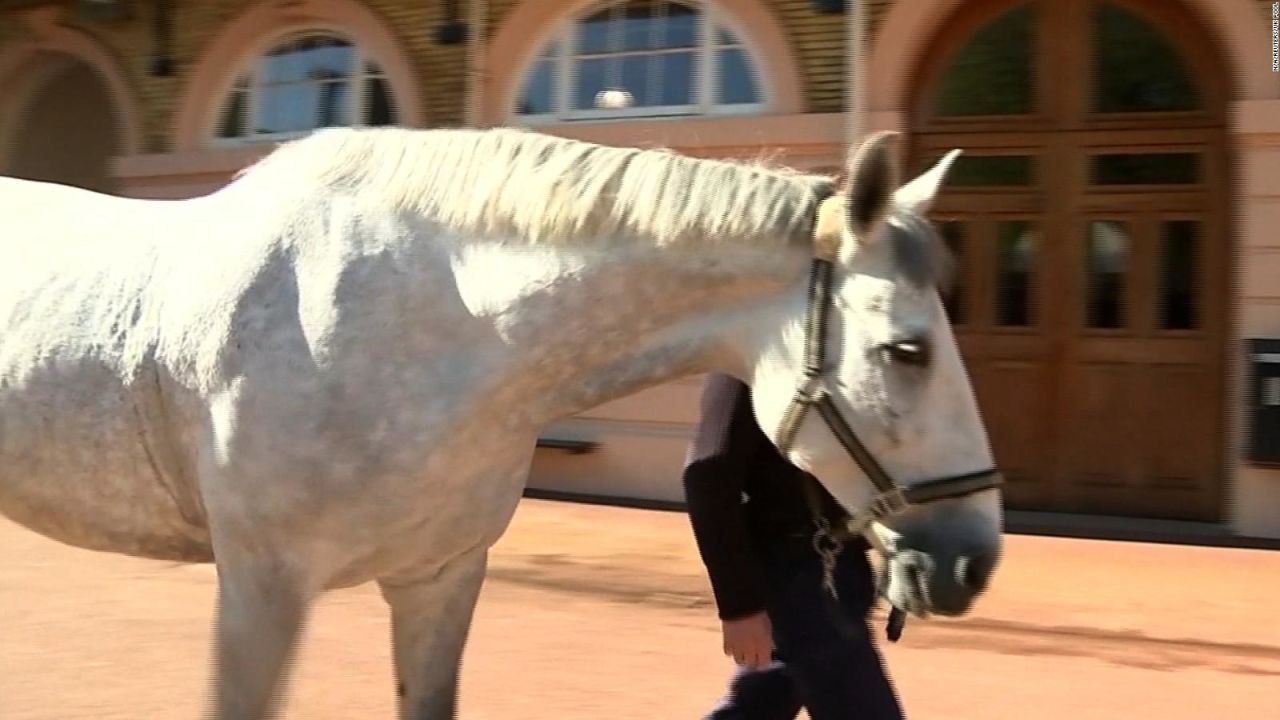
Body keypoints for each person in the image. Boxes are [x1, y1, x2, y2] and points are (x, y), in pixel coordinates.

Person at [682, 372, 905, 720]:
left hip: (844, 566)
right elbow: (708, 477)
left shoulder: (844, 350)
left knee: (763, 702)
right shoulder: (750, 357)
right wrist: (739, 608)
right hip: (796, 575)